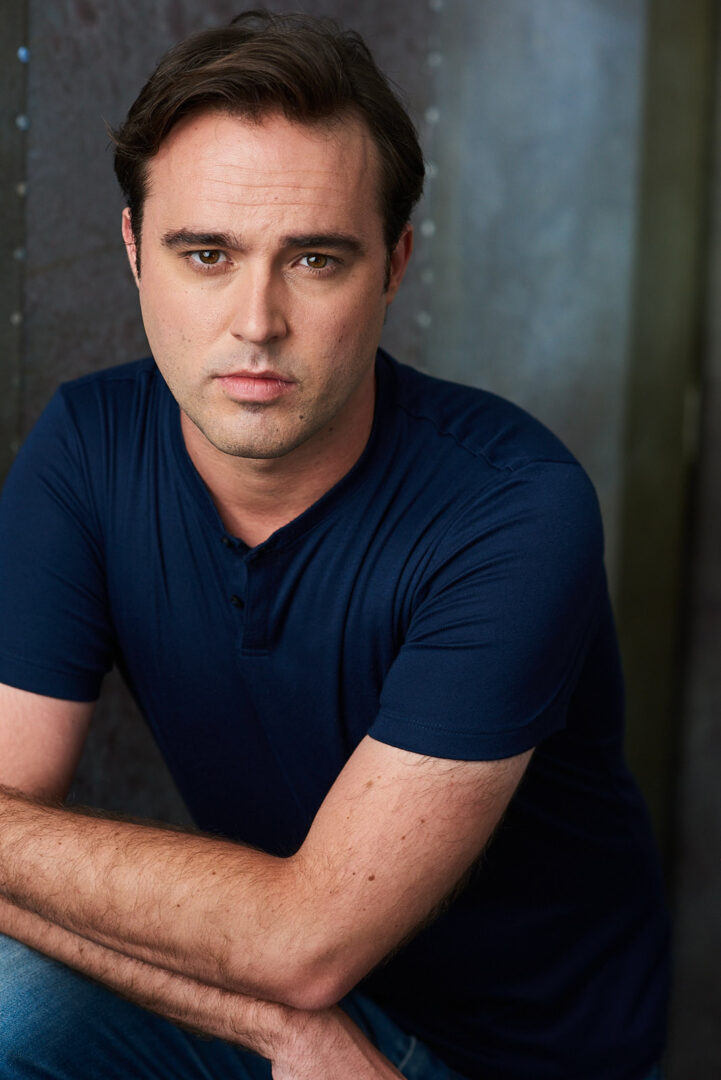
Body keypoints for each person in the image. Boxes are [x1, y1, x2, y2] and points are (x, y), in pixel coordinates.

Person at [0, 11, 669, 1080]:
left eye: (314, 259)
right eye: (206, 254)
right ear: (133, 251)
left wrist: (284, 984)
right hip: (266, 1007)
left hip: (504, 1057)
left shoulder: (512, 510)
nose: (256, 321)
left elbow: (302, 940)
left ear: (393, 264)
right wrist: (273, 1022)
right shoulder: (87, 446)